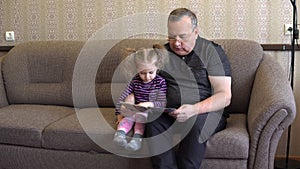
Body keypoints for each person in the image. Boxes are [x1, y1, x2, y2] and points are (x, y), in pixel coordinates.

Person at [145, 8, 232, 169]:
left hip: (204, 113)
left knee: (198, 125)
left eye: (182, 37)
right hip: (170, 112)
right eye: (172, 37)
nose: (176, 43)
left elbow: (224, 95)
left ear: (196, 32)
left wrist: (193, 109)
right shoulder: (162, 53)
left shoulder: (211, 52)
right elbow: (147, 85)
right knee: (152, 122)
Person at [113, 44, 168, 151]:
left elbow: (162, 102)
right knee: (127, 118)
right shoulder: (135, 81)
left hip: (148, 112)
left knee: (141, 119)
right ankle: (120, 135)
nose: (147, 77)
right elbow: (122, 97)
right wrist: (119, 114)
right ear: (137, 69)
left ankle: (136, 140)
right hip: (134, 109)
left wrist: (150, 104)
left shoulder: (160, 82)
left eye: (151, 72)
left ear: (158, 67)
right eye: (142, 73)